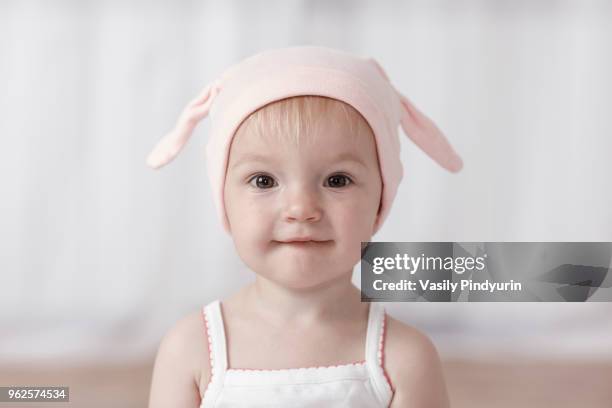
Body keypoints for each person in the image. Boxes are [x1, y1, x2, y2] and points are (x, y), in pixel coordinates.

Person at [146, 46, 462, 407]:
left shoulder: (404, 360)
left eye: (337, 180)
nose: (301, 209)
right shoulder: (192, 349)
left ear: (380, 201)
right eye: (263, 181)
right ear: (225, 202)